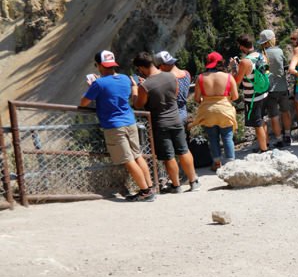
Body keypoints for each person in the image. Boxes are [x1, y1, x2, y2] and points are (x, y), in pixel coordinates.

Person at [80, 50, 155, 201]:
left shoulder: (98, 84)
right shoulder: (125, 79)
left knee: (128, 160)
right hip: (130, 121)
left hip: (114, 126)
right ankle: (150, 187)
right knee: (138, 156)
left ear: (99, 65)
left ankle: (145, 192)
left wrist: (92, 86)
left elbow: (84, 103)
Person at [134, 52, 200, 193]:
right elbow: (175, 94)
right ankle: (193, 180)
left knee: (169, 156)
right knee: (184, 150)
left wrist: (135, 90)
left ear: (141, 68)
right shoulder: (171, 76)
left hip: (160, 123)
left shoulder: (145, 86)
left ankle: (176, 185)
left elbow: (139, 104)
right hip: (176, 118)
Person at [191, 51, 240, 170]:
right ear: (220, 62)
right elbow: (235, 97)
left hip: (208, 111)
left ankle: (217, 163)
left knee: (213, 138)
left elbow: (197, 98)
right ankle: (230, 164)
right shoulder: (227, 77)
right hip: (224, 110)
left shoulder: (201, 78)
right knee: (227, 137)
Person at [235, 34, 269, 153]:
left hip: (252, 97)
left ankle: (263, 149)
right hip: (264, 93)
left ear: (241, 47)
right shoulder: (261, 55)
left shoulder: (245, 62)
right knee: (262, 119)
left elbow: (237, 81)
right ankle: (266, 143)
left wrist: (234, 68)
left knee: (257, 123)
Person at [260, 29, 293, 146]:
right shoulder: (279, 51)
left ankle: (279, 140)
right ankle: (288, 136)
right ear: (272, 39)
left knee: (274, 116)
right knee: (286, 112)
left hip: (270, 89)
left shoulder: (262, 55)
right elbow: (285, 65)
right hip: (283, 87)